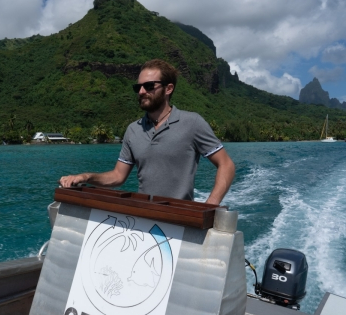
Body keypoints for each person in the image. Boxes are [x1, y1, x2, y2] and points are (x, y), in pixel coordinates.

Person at [59, 59, 235, 205]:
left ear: (168, 89)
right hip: (144, 218)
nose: (142, 92)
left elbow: (226, 164)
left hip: (182, 219)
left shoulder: (192, 123)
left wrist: (211, 204)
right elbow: (118, 176)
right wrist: (86, 176)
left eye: (149, 86)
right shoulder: (133, 130)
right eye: (139, 87)